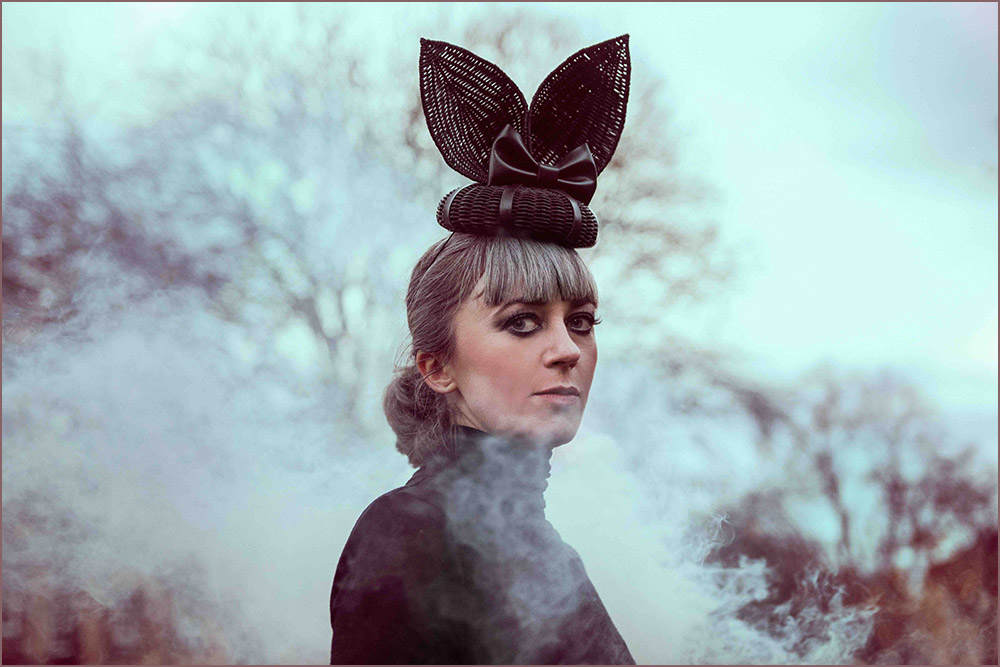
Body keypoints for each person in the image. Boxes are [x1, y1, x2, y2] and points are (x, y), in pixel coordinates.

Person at [330, 34, 634, 665]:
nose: (567, 350)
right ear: (437, 367)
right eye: (522, 323)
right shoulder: (411, 532)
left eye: (582, 322)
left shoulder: (546, 549)